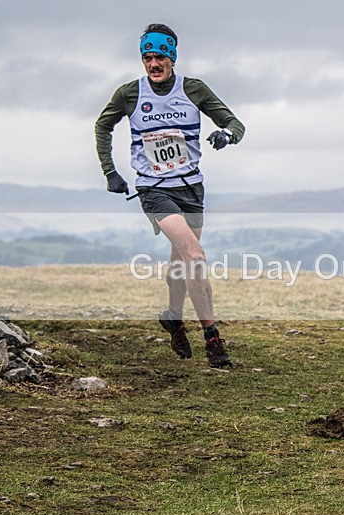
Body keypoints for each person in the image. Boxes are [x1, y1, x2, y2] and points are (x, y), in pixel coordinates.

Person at [95, 23, 245, 368]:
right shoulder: (129, 94)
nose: (153, 64)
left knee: (181, 261)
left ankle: (173, 316)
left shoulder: (193, 89)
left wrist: (226, 135)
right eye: (147, 57)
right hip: (154, 189)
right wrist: (110, 171)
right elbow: (103, 125)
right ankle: (212, 338)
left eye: (160, 57)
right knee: (195, 255)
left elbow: (235, 124)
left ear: (172, 57)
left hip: (191, 188)